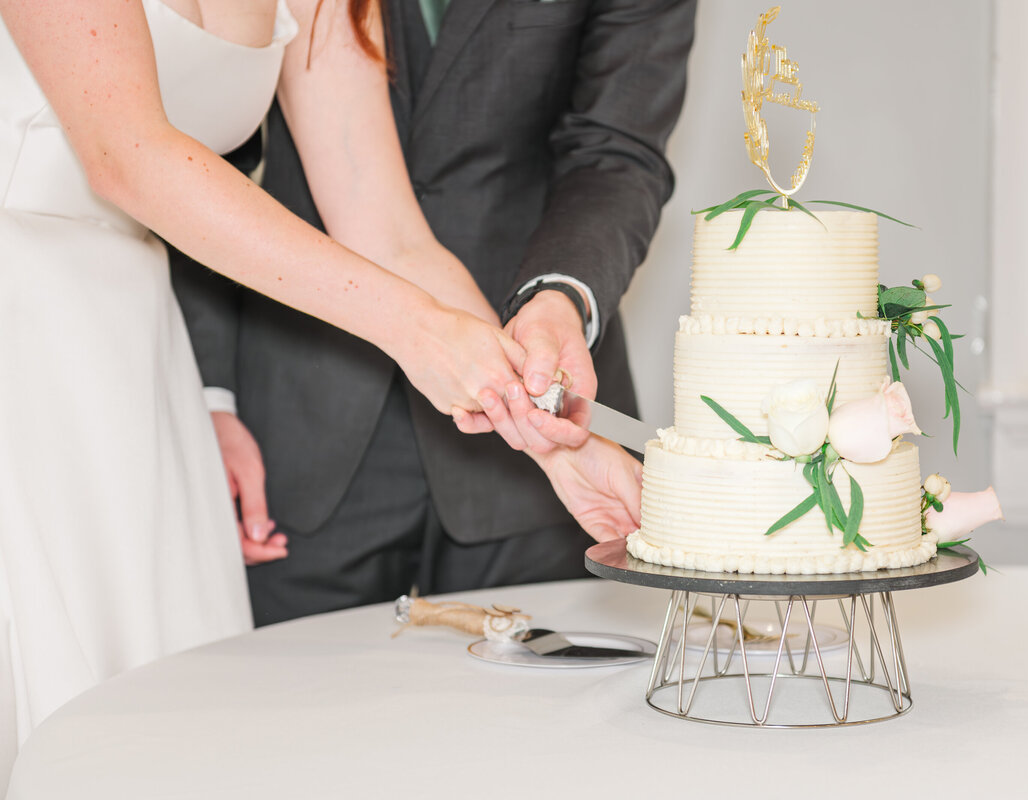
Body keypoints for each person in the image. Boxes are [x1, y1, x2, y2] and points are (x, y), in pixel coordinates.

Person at [0, 0, 639, 783]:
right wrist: (414, 330)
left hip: (131, 346)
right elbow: (128, 155)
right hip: (23, 337)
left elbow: (388, 230)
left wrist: (558, 443)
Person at [173, 0, 697, 625]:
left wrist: (554, 437)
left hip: (509, 431)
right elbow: (168, 157)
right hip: (296, 401)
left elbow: (388, 228)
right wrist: (205, 395)